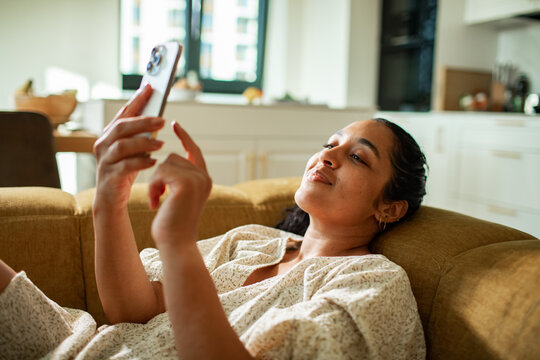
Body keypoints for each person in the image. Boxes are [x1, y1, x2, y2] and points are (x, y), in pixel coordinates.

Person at [0, 84, 427, 359]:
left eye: (357, 156)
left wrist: (179, 241)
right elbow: (132, 309)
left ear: (389, 208)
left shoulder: (371, 281)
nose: (327, 156)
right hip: (83, 345)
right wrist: (108, 199)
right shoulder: (254, 241)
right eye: (329, 143)